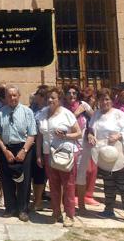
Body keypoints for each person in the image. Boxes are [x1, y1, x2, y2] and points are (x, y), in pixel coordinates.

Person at [89, 88, 124, 225]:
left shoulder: (118, 114)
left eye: (107, 99)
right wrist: (90, 135)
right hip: (104, 155)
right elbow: (91, 128)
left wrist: (119, 135)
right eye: (102, 99)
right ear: (98, 101)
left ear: (112, 100)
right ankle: (109, 209)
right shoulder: (96, 115)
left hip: (119, 154)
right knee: (108, 184)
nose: (104, 102)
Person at [36, 87, 81, 227]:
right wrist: (38, 154)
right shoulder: (42, 114)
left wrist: (66, 135)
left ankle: (70, 215)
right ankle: (56, 212)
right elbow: (39, 136)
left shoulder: (67, 114)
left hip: (64, 154)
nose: (50, 100)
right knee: (53, 185)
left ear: (59, 99)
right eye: (48, 97)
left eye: (53, 98)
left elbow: (78, 133)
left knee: (68, 185)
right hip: (48, 154)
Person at [0, 85, 37, 222]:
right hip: (6, 148)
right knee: (6, 179)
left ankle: (23, 209)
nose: (12, 98)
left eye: (14, 95)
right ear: (5, 97)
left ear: (19, 96)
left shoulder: (27, 112)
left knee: (24, 180)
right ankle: (10, 208)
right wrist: (5, 150)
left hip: (24, 147)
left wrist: (24, 150)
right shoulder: (0, 112)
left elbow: (32, 133)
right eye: (9, 95)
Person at [63, 84, 98, 212]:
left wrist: (90, 132)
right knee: (66, 174)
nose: (71, 95)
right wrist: (75, 113)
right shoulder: (62, 107)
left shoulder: (84, 105)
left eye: (74, 93)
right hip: (67, 144)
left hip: (83, 144)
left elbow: (94, 119)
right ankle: (67, 203)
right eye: (69, 93)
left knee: (81, 175)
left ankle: (82, 204)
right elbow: (64, 123)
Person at [30, 85, 49, 211]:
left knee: (41, 175)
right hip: (33, 144)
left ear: (41, 97)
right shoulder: (33, 108)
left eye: (37, 94)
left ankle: (38, 201)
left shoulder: (47, 111)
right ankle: (37, 200)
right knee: (36, 173)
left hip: (44, 145)